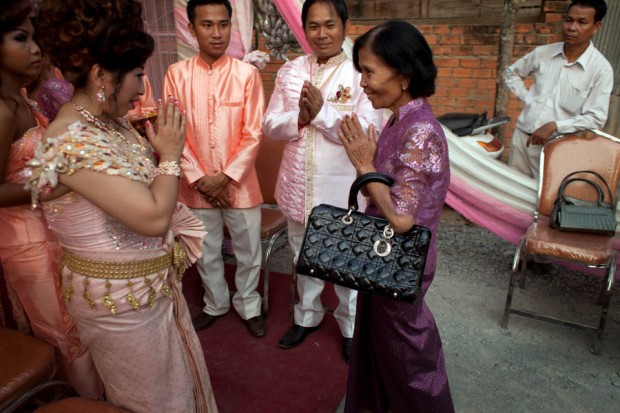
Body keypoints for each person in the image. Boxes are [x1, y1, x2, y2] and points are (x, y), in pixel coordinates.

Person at [30, 1, 218, 411]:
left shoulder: (104, 122)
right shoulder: (70, 140)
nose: (141, 87)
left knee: (175, 382)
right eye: (136, 75)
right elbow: (152, 216)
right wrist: (169, 153)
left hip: (147, 286)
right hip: (121, 305)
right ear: (101, 76)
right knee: (151, 400)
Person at [337, 20, 455, 412]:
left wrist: (364, 167)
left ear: (403, 75)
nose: (364, 83)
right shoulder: (399, 119)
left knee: (409, 359)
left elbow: (402, 219)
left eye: (369, 72)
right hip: (385, 261)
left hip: (401, 263)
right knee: (383, 351)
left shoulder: (419, 130)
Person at [262, 0, 383, 363]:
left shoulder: (362, 73)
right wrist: (298, 118)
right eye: (313, 26)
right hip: (298, 185)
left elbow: (366, 131)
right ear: (305, 29)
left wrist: (321, 114)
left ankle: (350, 328)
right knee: (304, 257)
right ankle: (307, 317)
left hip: (342, 187)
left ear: (345, 25)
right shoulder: (291, 71)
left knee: (347, 264)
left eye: (329, 24)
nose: (322, 33)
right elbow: (269, 124)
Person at [0, 0, 101, 398]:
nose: (36, 49)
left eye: (35, 37)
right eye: (21, 38)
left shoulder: (24, 100)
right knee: (61, 331)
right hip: (25, 241)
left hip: (48, 230)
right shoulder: (3, 111)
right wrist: (55, 187)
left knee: (74, 322)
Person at [163, 0, 266, 337]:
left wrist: (225, 178)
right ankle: (215, 303)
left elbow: (254, 131)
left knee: (249, 251)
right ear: (191, 29)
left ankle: (249, 304)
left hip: (240, 183)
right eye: (207, 25)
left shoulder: (246, 74)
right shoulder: (175, 75)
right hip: (197, 186)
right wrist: (200, 179)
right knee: (205, 252)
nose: (217, 32)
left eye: (223, 24)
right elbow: (172, 132)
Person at [506, 0, 612, 181]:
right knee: (511, 194)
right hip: (523, 140)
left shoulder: (601, 70)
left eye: (582, 22)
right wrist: (528, 97)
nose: (571, 27)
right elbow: (512, 74)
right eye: (569, 20)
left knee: (546, 201)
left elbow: (596, 117)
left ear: (596, 27)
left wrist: (555, 126)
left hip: (557, 148)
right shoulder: (543, 53)